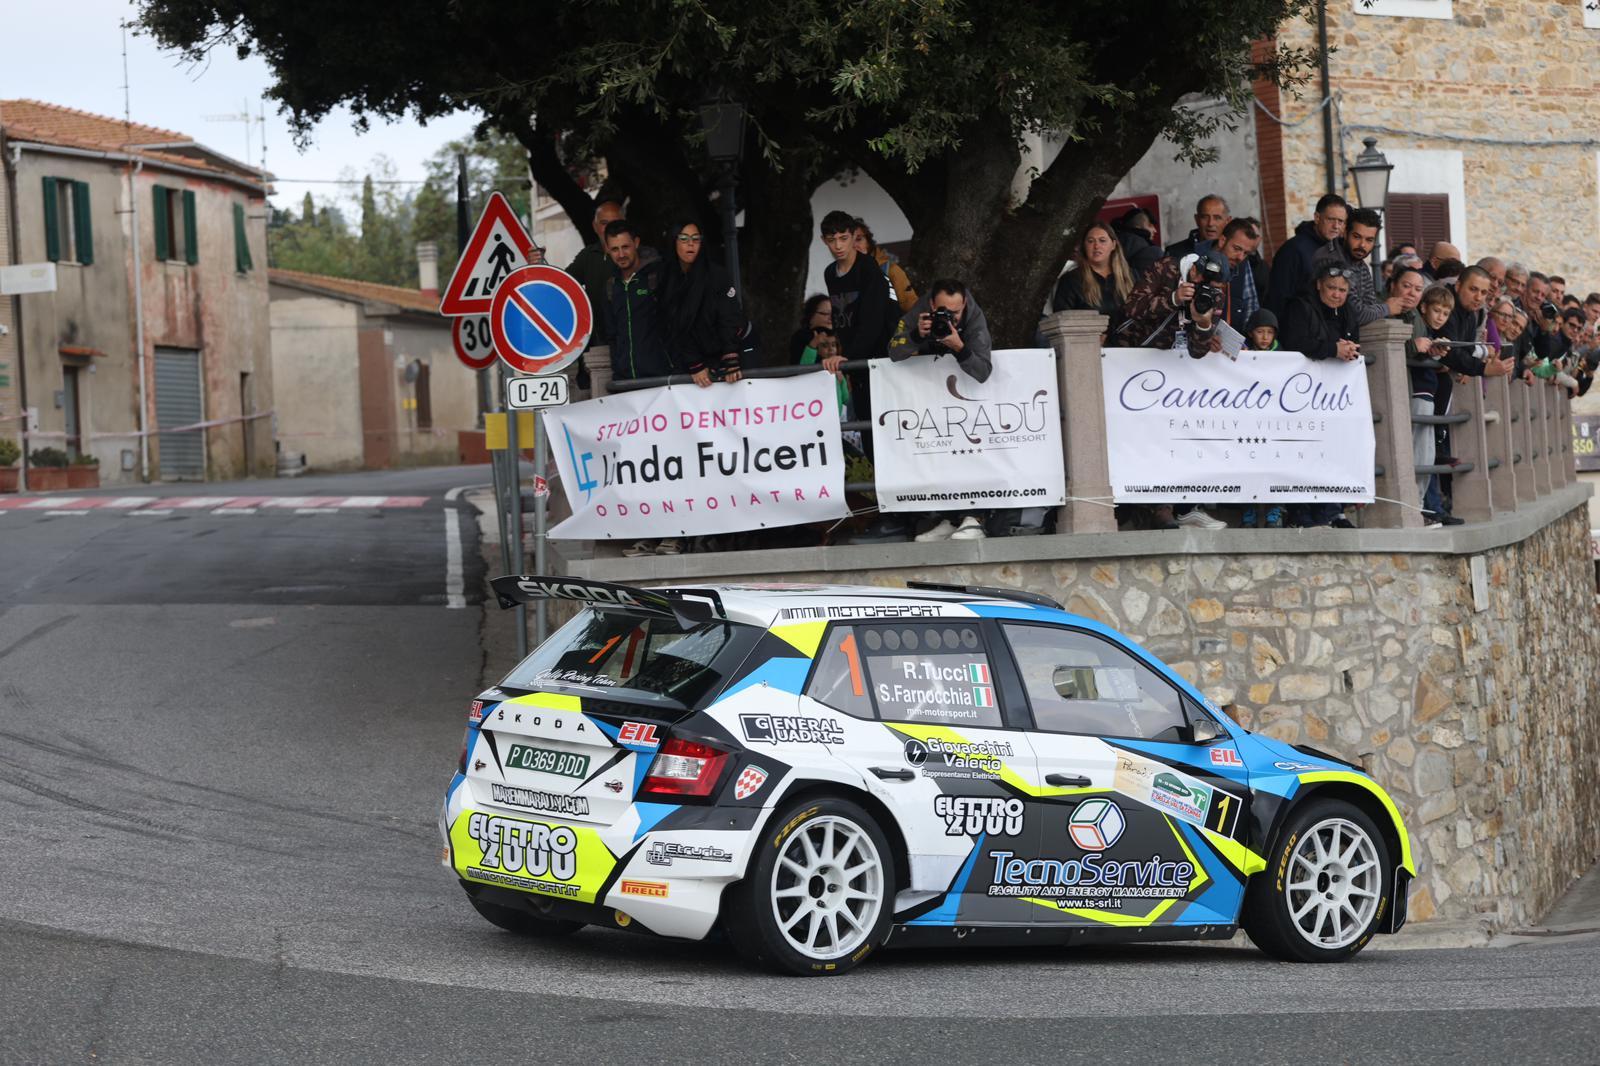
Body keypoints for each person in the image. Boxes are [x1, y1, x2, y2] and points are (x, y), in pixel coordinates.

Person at [1115, 248, 1227, 530]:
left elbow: (1199, 351)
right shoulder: (1167, 268)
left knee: (1169, 437)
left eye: (1211, 285)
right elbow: (1132, 308)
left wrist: (1203, 325)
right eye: (1200, 279)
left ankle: (1165, 507)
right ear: (1193, 269)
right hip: (1130, 360)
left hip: (1171, 375)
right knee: (1130, 435)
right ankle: (1129, 506)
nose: (1202, 285)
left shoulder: (1213, 296)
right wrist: (1173, 299)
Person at [887, 279, 995, 542]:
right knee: (938, 453)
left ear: (965, 304)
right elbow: (892, 350)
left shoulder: (974, 317)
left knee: (972, 452)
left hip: (971, 399)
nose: (951, 318)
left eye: (956, 312)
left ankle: (975, 518)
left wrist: (959, 346)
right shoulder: (920, 312)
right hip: (932, 400)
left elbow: (983, 371)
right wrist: (916, 336)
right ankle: (951, 518)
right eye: (944, 312)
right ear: (932, 305)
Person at [1276, 263, 1364, 528]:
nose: (1337, 295)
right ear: (1318, 285)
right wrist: (1332, 349)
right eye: (1331, 288)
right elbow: (1295, 342)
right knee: (1303, 450)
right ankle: (1301, 512)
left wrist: (1348, 350)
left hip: (1334, 395)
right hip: (1300, 393)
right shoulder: (1300, 306)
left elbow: (1353, 340)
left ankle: (1332, 510)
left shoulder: (1347, 310)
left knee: (1334, 450)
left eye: (1342, 290)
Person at [821, 209, 897, 420]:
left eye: (843, 238)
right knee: (864, 420)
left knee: (883, 421)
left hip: (880, 357)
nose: (838, 246)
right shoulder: (830, 272)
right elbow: (840, 316)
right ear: (823, 241)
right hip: (853, 359)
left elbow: (874, 321)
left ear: (853, 235)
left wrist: (848, 356)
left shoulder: (868, 269)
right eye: (831, 240)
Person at [660, 219, 745, 388]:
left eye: (695, 238)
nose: (690, 244)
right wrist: (695, 364)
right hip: (690, 360)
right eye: (684, 238)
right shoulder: (667, 278)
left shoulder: (717, 275)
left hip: (727, 352)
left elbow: (729, 317)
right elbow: (674, 325)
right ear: (674, 241)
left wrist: (730, 358)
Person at [1402, 282, 1456, 527]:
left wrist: (1436, 353)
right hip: (1418, 394)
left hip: (1428, 395)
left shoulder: (1427, 329)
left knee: (1427, 453)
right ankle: (1416, 507)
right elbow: (1409, 352)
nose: (1440, 317)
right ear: (1424, 307)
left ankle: (1421, 505)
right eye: (1437, 311)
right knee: (1420, 453)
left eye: (1445, 314)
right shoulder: (1414, 323)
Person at [1267, 193, 1347, 314]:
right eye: (1331, 219)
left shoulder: (1339, 251)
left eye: (1340, 221)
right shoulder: (1293, 249)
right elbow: (1277, 297)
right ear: (1317, 218)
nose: (1336, 226)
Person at [566, 196, 627, 353]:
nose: (609, 229)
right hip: (598, 342)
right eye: (604, 223)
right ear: (595, 226)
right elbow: (563, 284)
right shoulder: (588, 255)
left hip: (631, 340)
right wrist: (538, 264)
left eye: (615, 223)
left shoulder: (639, 255)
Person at [1051, 222, 1135, 335]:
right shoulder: (1071, 280)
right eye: (1090, 241)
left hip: (1127, 348)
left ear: (1113, 245)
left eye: (1102, 240)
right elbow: (1062, 322)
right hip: (1087, 346)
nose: (1096, 246)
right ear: (1084, 246)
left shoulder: (1130, 276)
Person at [1310, 207, 1387, 325]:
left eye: (1369, 240)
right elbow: (1357, 315)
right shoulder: (1330, 259)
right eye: (1357, 237)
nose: (1362, 245)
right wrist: (1387, 308)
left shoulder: (1361, 265)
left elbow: (1369, 306)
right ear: (1345, 233)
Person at [1195, 217, 1263, 328]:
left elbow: (1251, 307)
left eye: (1246, 253)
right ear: (1222, 241)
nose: (1240, 257)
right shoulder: (1194, 259)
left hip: (1231, 341)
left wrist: (1248, 339)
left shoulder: (1243, 265)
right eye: (1236, 248)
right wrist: (1207, 333)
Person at [853, 220, 917, 311]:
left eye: (859, 239)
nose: (855, 245)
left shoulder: (890, 269)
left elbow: (911, 307)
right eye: (849, 241)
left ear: (868, 241)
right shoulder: (841, 272)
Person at [1163, 194, 1231, 259]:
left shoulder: (1236, 255)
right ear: (1197, 219)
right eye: (1205, 217)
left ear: (1228, 221)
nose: (1210, 223)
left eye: (1217, 218)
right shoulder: (1174, 252)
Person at [1110, 207, 1164, 278]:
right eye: (1150, 225)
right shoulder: (1153, 252)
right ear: (1137, 227)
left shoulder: (1111, 245)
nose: (1155, 230)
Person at [788, 294, 833, 365]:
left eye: (833, 313)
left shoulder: (839, 334)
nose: (831, 317)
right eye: (825, 313)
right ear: (811, 315)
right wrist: (813, 344)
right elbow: (801, 368)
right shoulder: (800, 337)